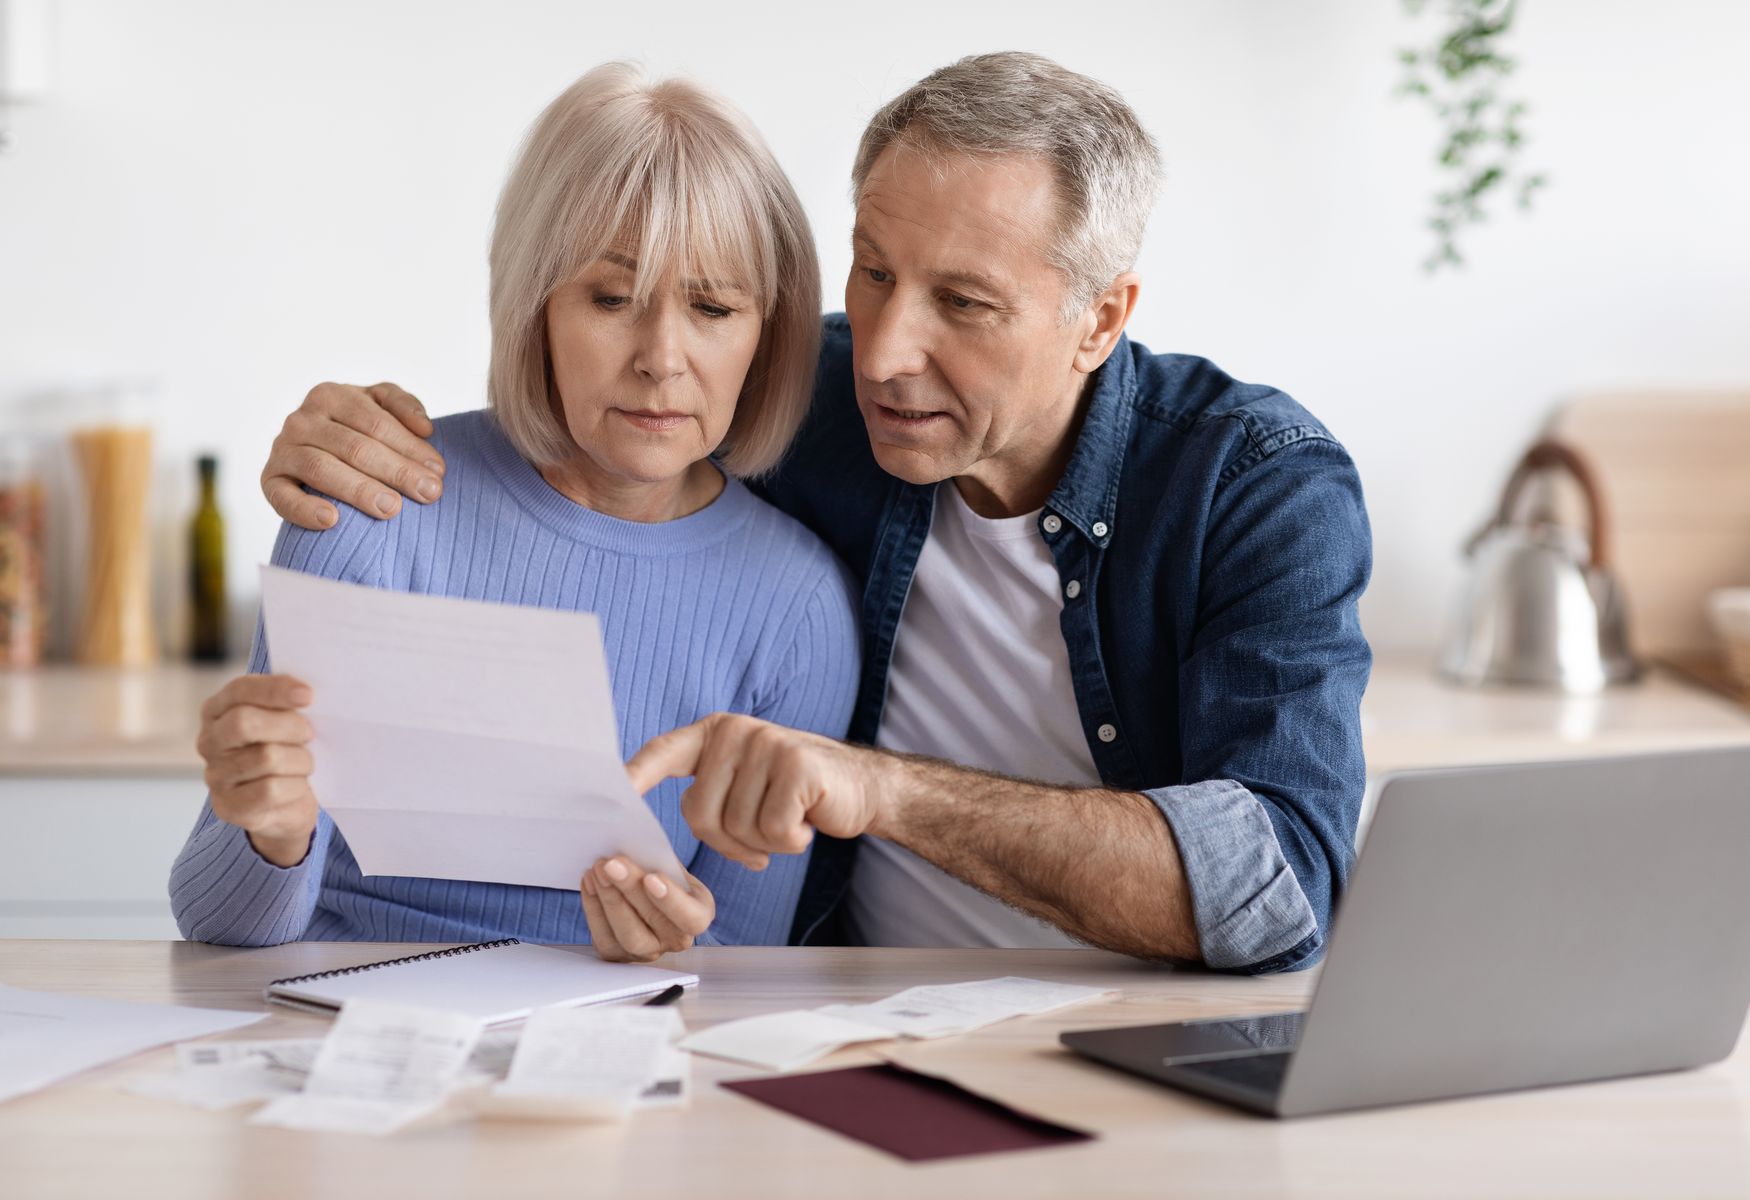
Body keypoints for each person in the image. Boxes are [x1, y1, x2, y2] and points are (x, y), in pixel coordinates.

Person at [255, 52, 1372, 973]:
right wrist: (350, 431)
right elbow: (612, 378)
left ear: (1099, 320)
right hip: (844, 1025)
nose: (885, 356)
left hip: (1135, 1029)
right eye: (874, 273)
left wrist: (880, 792)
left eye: (964, 304)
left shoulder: (1255, 486)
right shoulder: (805, 398)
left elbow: (1271, 894)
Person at [170, 63, 859, 960]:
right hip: (340, 1026)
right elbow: (218, 926)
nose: (662, 356)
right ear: (534, 307)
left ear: (768, 333)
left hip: (619, 1055)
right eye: (611, 298)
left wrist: (677, 951)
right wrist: (273, 830)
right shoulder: (376, 504)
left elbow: (741, 962)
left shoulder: (797, 606)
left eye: (713, 306)